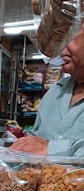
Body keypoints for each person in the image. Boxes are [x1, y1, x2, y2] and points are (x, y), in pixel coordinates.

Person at [9, 23, 84, 157]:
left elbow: (43, 148)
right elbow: (35, 142)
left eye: (69, 39)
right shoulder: (55, 92)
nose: (61, 51)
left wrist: (49, 148)